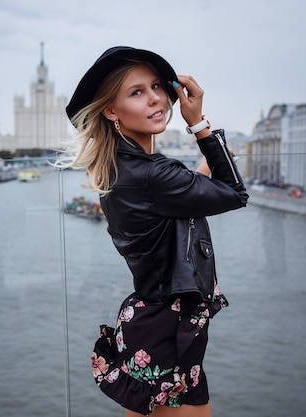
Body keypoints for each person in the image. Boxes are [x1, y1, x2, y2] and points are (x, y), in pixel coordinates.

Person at [63, 46, 249, 417]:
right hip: (166, 331)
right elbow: (235, 194)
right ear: (111, 110)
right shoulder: (152, 174)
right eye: (136, 92)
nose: (155, 99)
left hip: (156, 323)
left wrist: (197, 174)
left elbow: (173, 200)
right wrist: (198, 124)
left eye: (156, 87)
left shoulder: (122, 167)